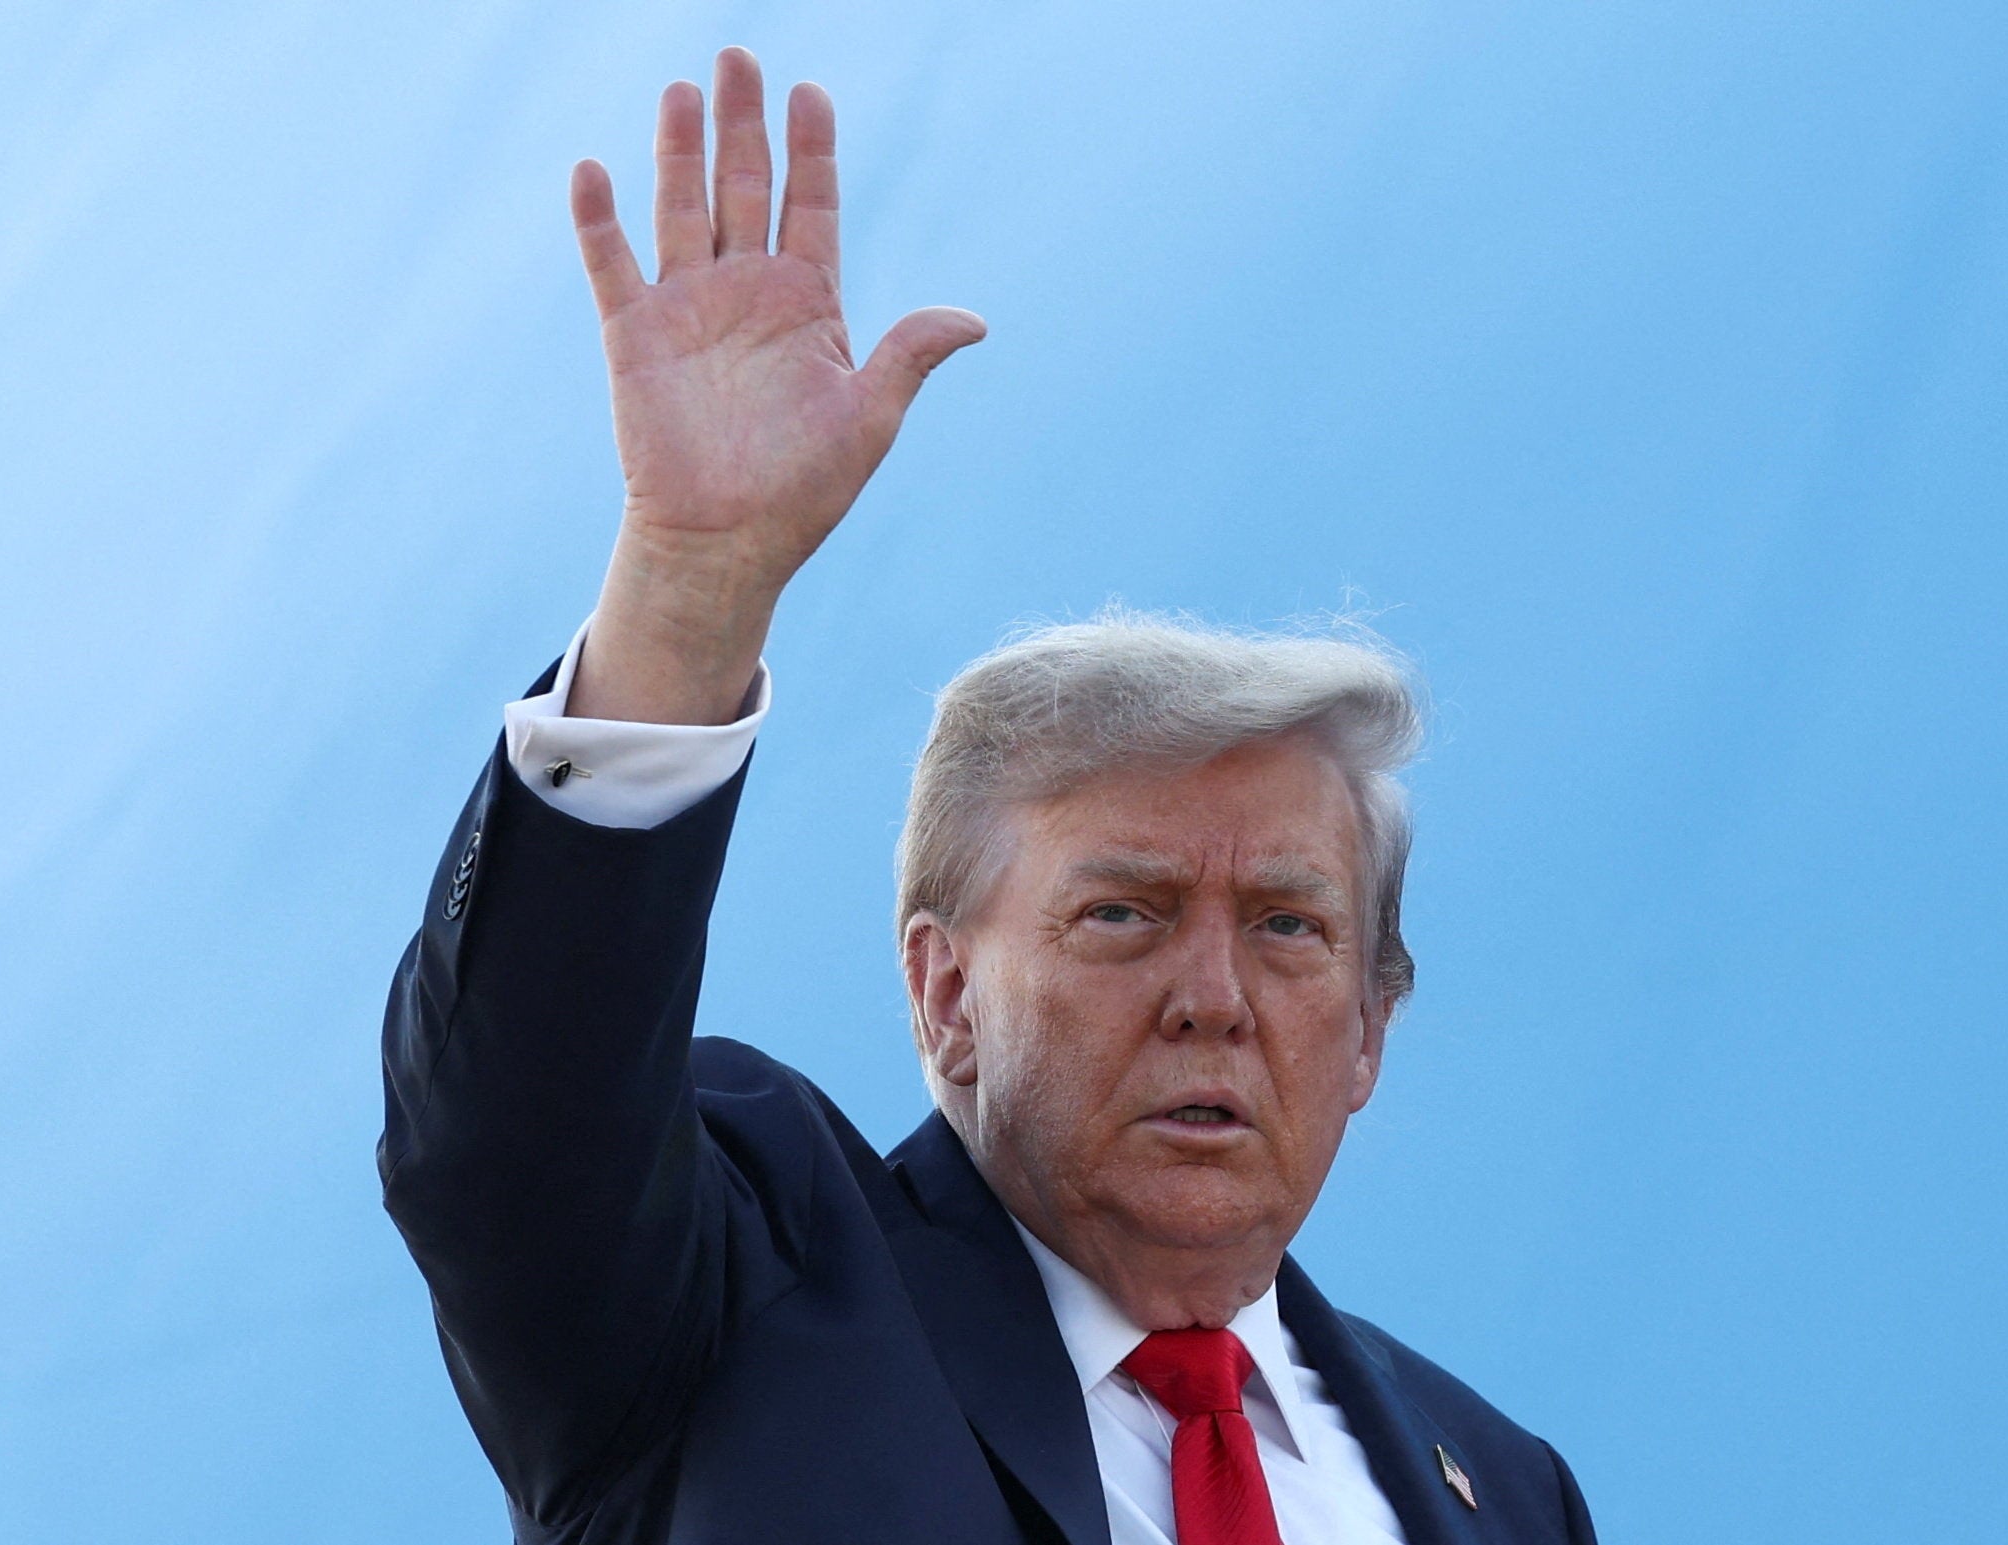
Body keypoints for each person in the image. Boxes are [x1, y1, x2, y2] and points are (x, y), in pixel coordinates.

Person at [379, 46, 1598, 1545]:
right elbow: (516, 1134)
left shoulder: (1507, 1487)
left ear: (1365, 1032)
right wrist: (689, 592)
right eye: (1121, 911)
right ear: (945, 990)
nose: (1212, 994)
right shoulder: (740, 1298)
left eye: (1287, 924)